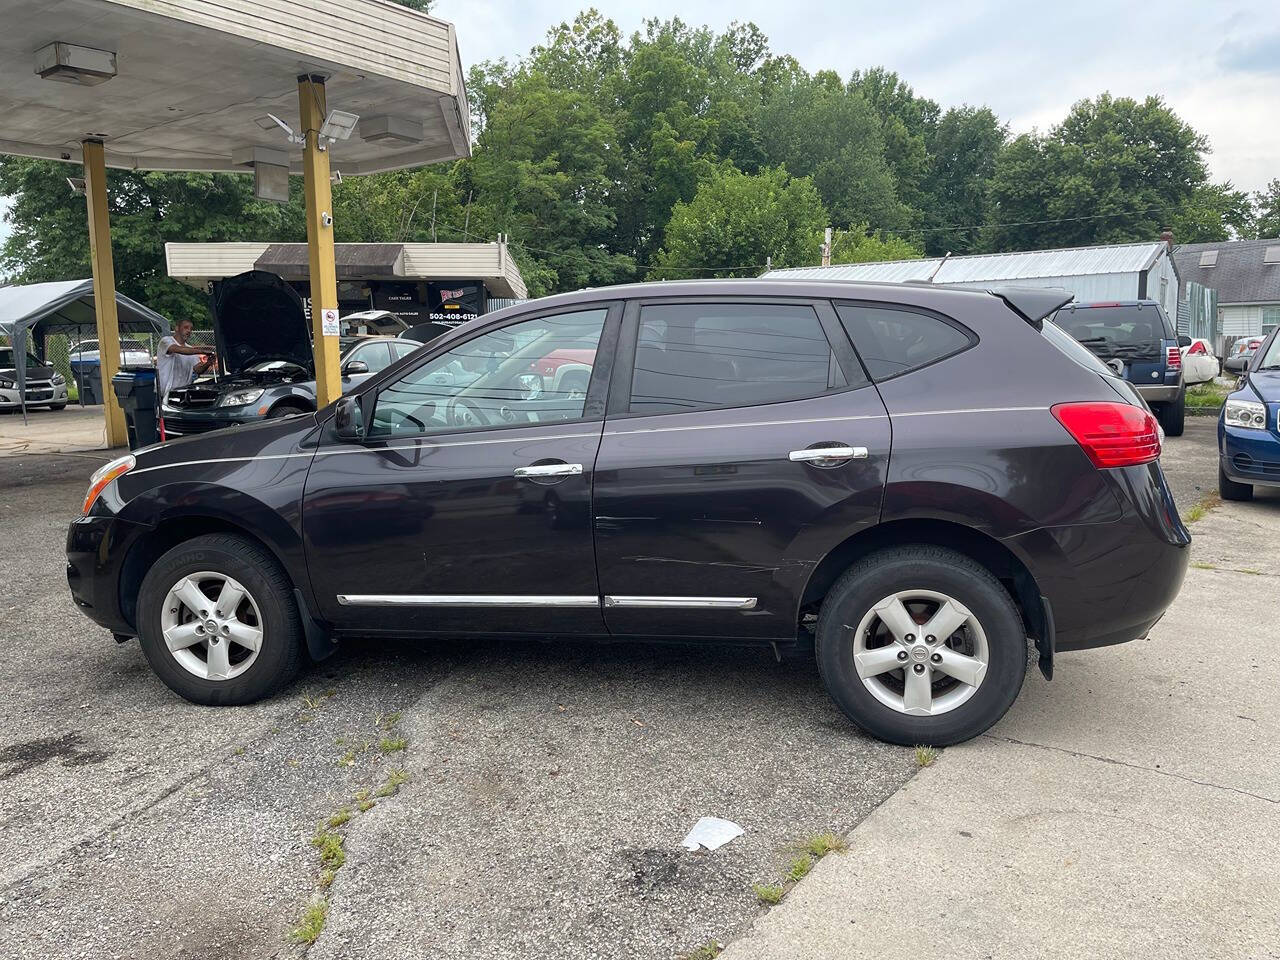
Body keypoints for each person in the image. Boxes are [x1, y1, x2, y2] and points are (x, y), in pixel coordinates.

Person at [156, 319, 215, 403]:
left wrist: (208, 363)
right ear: (177, 328)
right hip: (165, 393)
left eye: (191, 329)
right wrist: (203, 351)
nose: (189, 331)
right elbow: (178, 349)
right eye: (186, 327)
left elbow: (197, 369)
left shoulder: (190, 349)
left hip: (183, 393)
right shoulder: (166, 341)